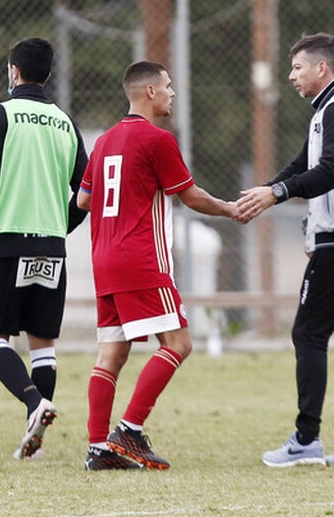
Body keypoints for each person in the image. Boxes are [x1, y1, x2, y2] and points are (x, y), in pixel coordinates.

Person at [236, 32, 334, 468]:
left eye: (297, 67)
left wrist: (278, 194)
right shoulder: (330, 106)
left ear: (322, 68)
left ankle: (306, 439)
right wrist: (265, 191)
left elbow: (329, 173)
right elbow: (305, 163)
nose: (291, 76)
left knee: (308, 333)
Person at [77, 60, 237, 471]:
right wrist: (229, 208)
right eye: (167, 86)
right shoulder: (157, 140)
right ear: (149, 92)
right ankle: (129, 430)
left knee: (110, 353)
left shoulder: (105, 140)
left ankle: (99, 449)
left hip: (104, 258)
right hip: (140, 259)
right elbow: (190, 195)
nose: (171, 93)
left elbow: (82, 201)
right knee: (179, 343)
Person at [0, 37, 88, 460]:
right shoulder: (65, 121)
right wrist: (59, 226)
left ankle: (35, 404)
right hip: (52, 246)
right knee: (43, 342)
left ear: (13, 70)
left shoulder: (1, 114)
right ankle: (35, 445)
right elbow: (86, 191)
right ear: (47, 73)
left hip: (8, 244)